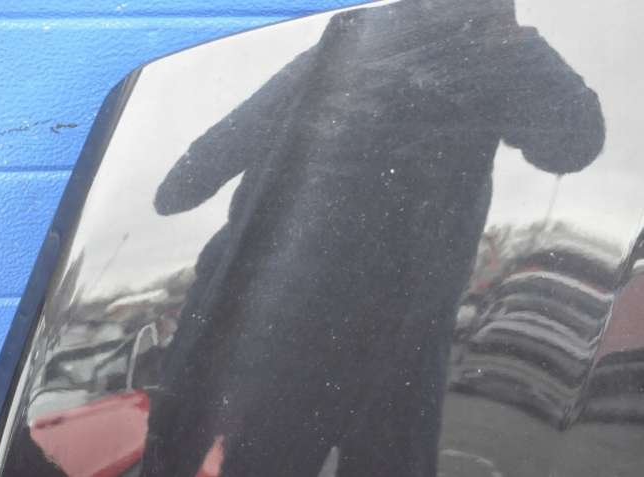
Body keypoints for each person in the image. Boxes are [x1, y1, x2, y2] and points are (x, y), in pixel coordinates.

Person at [144, 0, 605, 475]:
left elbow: (575, 142)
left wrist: (502, 43)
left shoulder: (358, 47)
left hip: (326, 332)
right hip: (342, 333)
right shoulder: (357, 46)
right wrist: (504, 42)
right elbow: (576, 141)